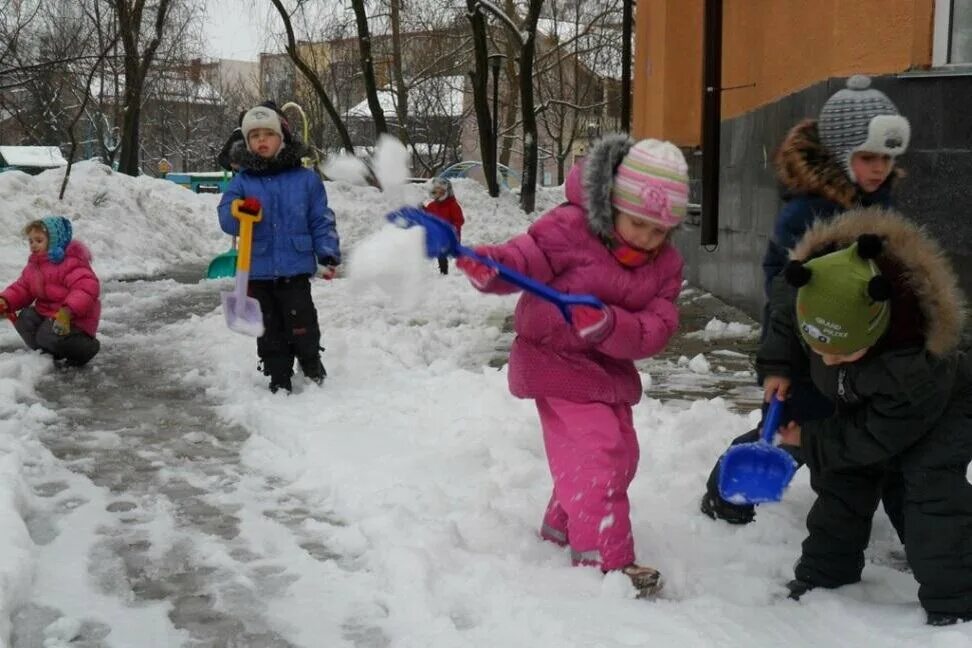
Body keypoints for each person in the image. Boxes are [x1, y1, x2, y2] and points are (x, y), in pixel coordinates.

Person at [456, 135, 688, 597]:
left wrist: (607, 325)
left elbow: (656, 327)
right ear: (612, 204)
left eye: (659, 230)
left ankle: (560, 523)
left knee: (621, 457)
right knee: (597, 453)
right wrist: (492, 267)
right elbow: (526, 258)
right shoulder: (570, 228)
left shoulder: (666, 266)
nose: (646, 238)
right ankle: (605, 558)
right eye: (637, 223)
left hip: (609, 370)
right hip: (554, 360)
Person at [700, 75, 912, 528]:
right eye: (867, 157)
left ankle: (847, 507)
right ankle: (725, 493)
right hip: (802, 343)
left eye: (887, 158)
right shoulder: (808, 216)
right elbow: (783, 296)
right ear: (840, 154)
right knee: (790, 426)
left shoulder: (879, 204)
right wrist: (777, 365)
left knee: (843, 427)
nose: (879, 167)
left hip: (852, 342)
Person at [757, 209, 971, 627]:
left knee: (927, 489)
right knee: (842, 479)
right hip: (868, 398)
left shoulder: (913, 364)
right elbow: (787, 313)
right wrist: (779, 365)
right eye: (819, 349)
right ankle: (827, 574)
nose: (829, 359)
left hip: (945, 406)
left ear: (876, 329)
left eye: (843, 353)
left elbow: (872, 438)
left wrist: (811, 440)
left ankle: (957, 601)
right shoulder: (816, 286)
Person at [217, 103, 341, 394]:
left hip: (295, 268)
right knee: (269, 330)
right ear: (246, 142)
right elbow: (226, 218)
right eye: (254, 135)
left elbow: (321, 218)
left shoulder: (306, 180)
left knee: (302, 323)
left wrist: (328, 252)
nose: (261, 140)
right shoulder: (243, 180)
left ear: (282, 137)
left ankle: (310, 361)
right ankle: (278, 373)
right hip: (257, 270)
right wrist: (238, 211)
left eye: (268, 134)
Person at [0, 216, 101, 367]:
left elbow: (86, 288)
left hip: (73, 319)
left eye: (39, 240)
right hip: (48, 316)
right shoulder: (34, 266)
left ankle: (85, 348)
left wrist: (67, 311)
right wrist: (6, 301)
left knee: (46, 333)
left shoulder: (71, 262)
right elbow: (23, 288)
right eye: (31, 241)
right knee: (26, 317)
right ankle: (48, 353)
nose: (33, 245)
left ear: (54, 241)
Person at [422, 177, 464, 274]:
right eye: (436, 191)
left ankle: (458, 268)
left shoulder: (452, 205)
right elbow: (428, 215)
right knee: (440, 252)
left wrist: (452, 228)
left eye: (441, 191)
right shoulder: (432, 205)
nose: (438, 194)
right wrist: (422, 209)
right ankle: (443, 271)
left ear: (447, 192)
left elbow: (459, 220)